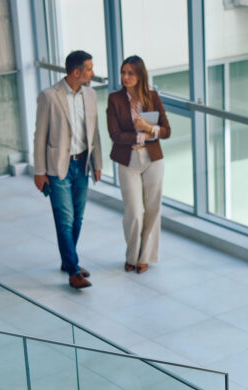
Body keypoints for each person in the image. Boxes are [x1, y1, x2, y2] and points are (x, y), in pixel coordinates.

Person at [33, 50, 103, 289]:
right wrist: (39, 171)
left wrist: (97, 163)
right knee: (65, 219)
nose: (92, 73)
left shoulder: (91, 95)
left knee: (78, 218)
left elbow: (95, 132)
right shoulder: (49, 97)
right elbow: (39, 136)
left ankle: (67, 259)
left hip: (82, 163)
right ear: (76, 72)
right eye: (89, 69)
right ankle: (73, 270)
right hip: (57, 167)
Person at [107, 55, 170, 274]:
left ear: (140, 75)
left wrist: (148, 128)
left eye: (130, 73)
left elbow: (166, 130)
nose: (125, 77)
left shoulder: (153, 97)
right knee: (134, 211)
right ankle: (131, 255)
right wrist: (140, 136)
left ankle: (145, 257)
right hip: (129, 160)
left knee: (152, 209)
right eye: (123, 72)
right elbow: (115, 135)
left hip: (153, 159)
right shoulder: (114, 99)